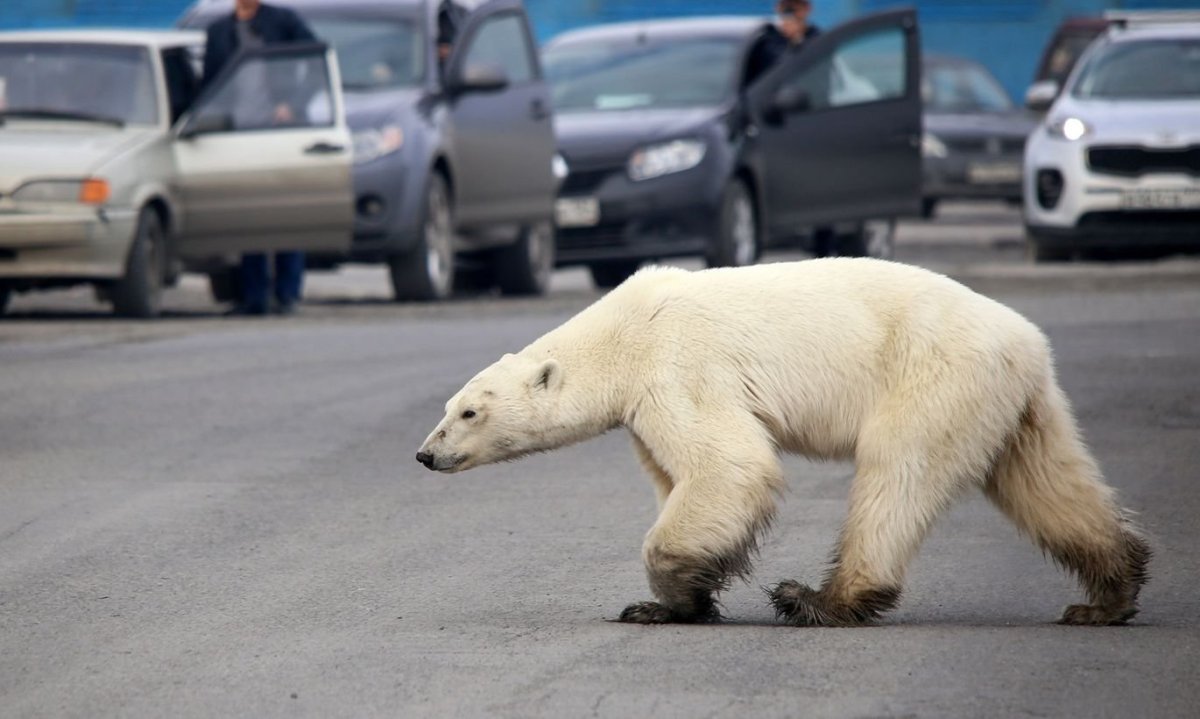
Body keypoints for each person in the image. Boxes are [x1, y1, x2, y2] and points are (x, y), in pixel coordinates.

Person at [202, 0, 317, 316]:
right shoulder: (219, 31)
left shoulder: (283, 21)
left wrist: (293, 103)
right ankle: (253, 297)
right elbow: (210, 84)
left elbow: (316, 58)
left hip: (280, 131)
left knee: (287, 212)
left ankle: (287, 293)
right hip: (238, 135)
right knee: (248, 217)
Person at [745, 0, 822, 86]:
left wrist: (798, 41)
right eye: (786, 6)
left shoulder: (818, 39)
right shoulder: (765, 41)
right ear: (778, 8)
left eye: (796, 6)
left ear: (807, 9)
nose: (791, 11)